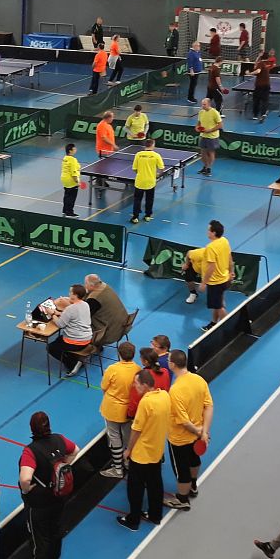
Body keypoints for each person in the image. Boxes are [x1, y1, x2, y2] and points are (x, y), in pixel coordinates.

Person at [16, 411, 78, 559]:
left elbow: (25, 478)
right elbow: (75, 450)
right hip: (59, 497)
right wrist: (62, 470)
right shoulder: (59, 439)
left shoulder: (30, 451)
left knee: (39, 540)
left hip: (39, 504)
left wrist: (26, 490)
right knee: (55, 529)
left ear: (32, 428)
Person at [117, 369, 171, 531]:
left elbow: (136, 430)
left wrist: (128, 450)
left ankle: (133, 520)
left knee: (135, 487)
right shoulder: (164, 396)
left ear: (145, 385)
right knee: (155, 484)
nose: (134, 386)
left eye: (137, 383)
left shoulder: (145, 403)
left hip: (141, 453)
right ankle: (155, 515)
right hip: (156, 450)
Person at [164, 349, 213, 510]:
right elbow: (209, 406)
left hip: (179, 439)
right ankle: (193, 486)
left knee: (182, 471)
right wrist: (204, 432)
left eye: (168, 360)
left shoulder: (175, 390)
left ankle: (182, 499)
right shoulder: (199, 380)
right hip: (197, 434)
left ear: (172, 364)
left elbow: (184, 421)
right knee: (194, 460)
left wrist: (200, 432)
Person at [99, 342, 139, 477]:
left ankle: (117, 469)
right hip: (129, 411)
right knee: (128, 437)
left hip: (112, 409)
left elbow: (104, 387)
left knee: (114, 437)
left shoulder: (112, 369)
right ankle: (128, 463)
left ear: (119, 354)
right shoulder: (138, 369)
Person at [185, 220, 231, 330]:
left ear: (213, 233)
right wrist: (232, 271)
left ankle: (231, 327)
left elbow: (211, 267)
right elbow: (230, 257)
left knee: (219, 307)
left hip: (215, 282)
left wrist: (203, 283)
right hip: (224, 279)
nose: (207, 232)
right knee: (217, 304)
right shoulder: (224, 240)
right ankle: (213, 323)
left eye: (208, 230)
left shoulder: (211, 247)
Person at [45, 284, 92, 377]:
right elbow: (74, 315)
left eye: (70, 292)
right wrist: (59, 313)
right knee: (59, 339)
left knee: (51, 348)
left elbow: (60, 324)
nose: (69, 294)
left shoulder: (70, 309)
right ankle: (76, 358)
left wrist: (52, 314)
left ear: (75, 295)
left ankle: (72, 364)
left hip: (76, 342)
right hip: (87, 338)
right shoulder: (85, 304)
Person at [129, 138, 163, 225]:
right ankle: (148, 216)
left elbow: (134, 169)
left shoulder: (138, 154)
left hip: (140, 181)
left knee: (137, 200)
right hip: (150, 182)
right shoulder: (156, 155)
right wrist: (157, 175)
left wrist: (140, 173)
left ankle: (135, 217)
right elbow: (161, 168)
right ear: (153, 145)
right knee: (149, 199)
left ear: (145, 145)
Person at [194, 97, 222, 177]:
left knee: (211, 152)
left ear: (209, 104)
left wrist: (210, 130)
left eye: (204, 104)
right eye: (202, 104)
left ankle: (209, 168)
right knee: (203, 153)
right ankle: (205, 166)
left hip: (212, 136)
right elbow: (199, 123)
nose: (202, 106)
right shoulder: (201, 112)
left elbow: (220, 125)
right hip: (203, 135)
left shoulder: (215, 112)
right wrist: (197, 128)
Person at [94, 110, 117, 188]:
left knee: (105, 166)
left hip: (108, 150)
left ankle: (101, 181)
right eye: (112, 117)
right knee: (103, 167)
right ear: (108, 118)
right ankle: (99, 182)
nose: (113, 118)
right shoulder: (102, 125)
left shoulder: (108, 125)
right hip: (103, 150)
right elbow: (104, 138)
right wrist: (113, 145)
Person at [249, 54, 272, 122]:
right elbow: (256, 66)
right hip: (267, 85)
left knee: (256, 100)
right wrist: (259, 57)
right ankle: (263, 114)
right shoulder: (268, 63)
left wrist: (249, 73)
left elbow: (258, 70)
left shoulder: (261, 63)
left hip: (259, 85)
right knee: (265, 100)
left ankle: (255, 115)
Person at [60, 142, 81, 217]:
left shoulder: (65, 158)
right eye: (74, 149)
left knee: (67, 195)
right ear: (70, 151)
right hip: (71, 180)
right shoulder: (73, 160)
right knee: (72, 197)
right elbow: (73, 172)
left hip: (64, 179)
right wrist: (77, 182)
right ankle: (69, 212)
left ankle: (64, 210)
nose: (76, 150)